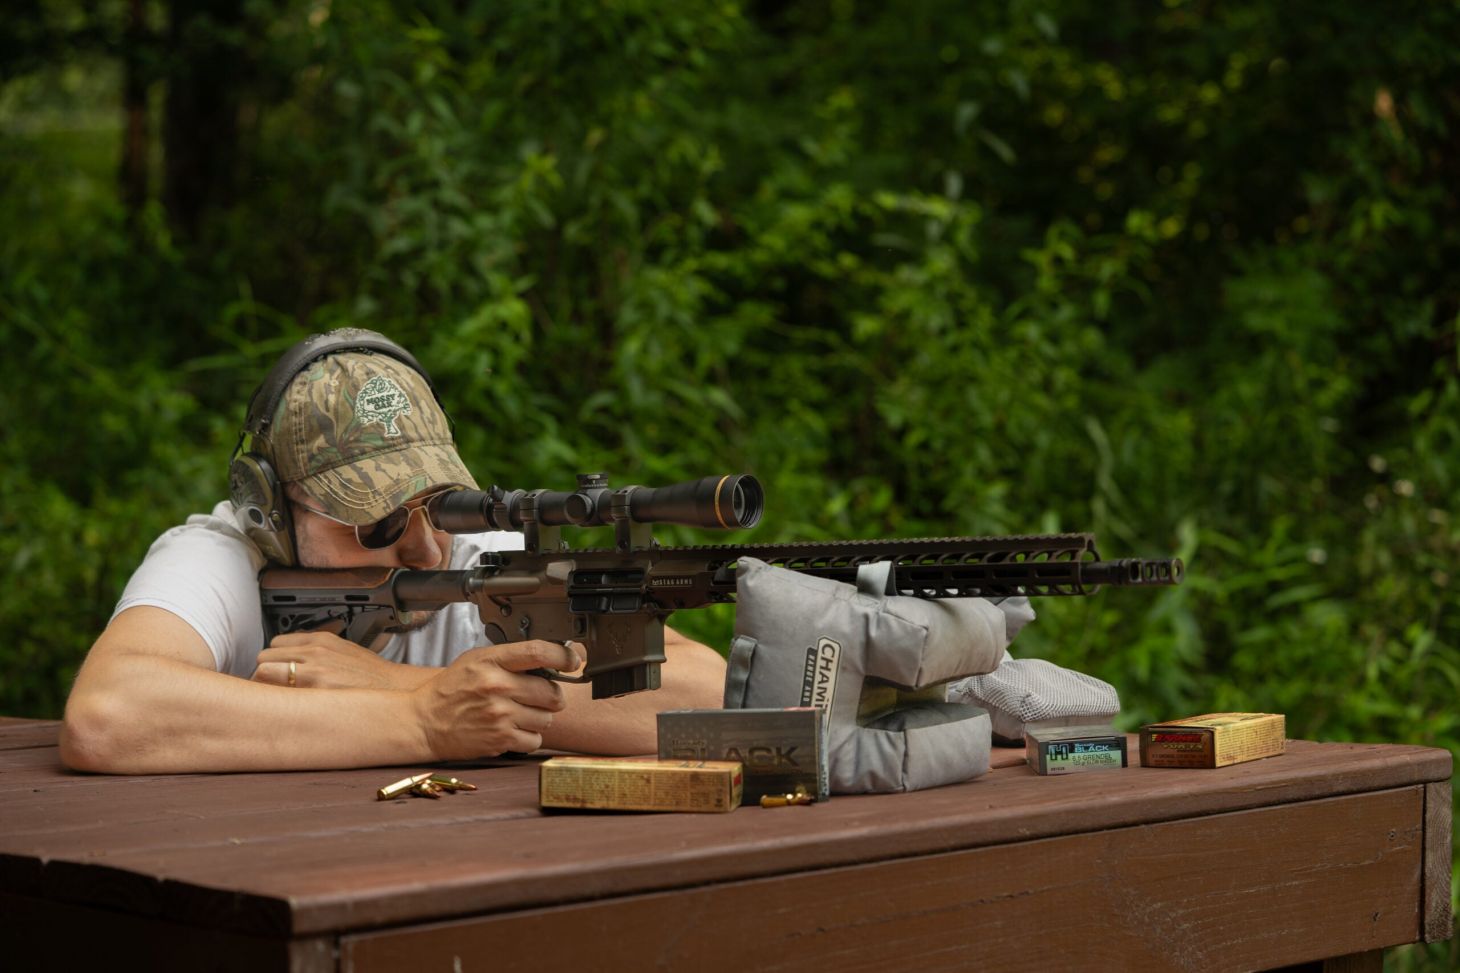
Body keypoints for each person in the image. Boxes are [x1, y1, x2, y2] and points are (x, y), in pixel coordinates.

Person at [60, 329, 727, 774]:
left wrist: (403, 686)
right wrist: (423, 721)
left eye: (441, 506)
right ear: (271, 509)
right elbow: (108, 714)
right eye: (375, 524)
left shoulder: (485, 562)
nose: (427, 549)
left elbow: (713, 699)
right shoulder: (222, 557)